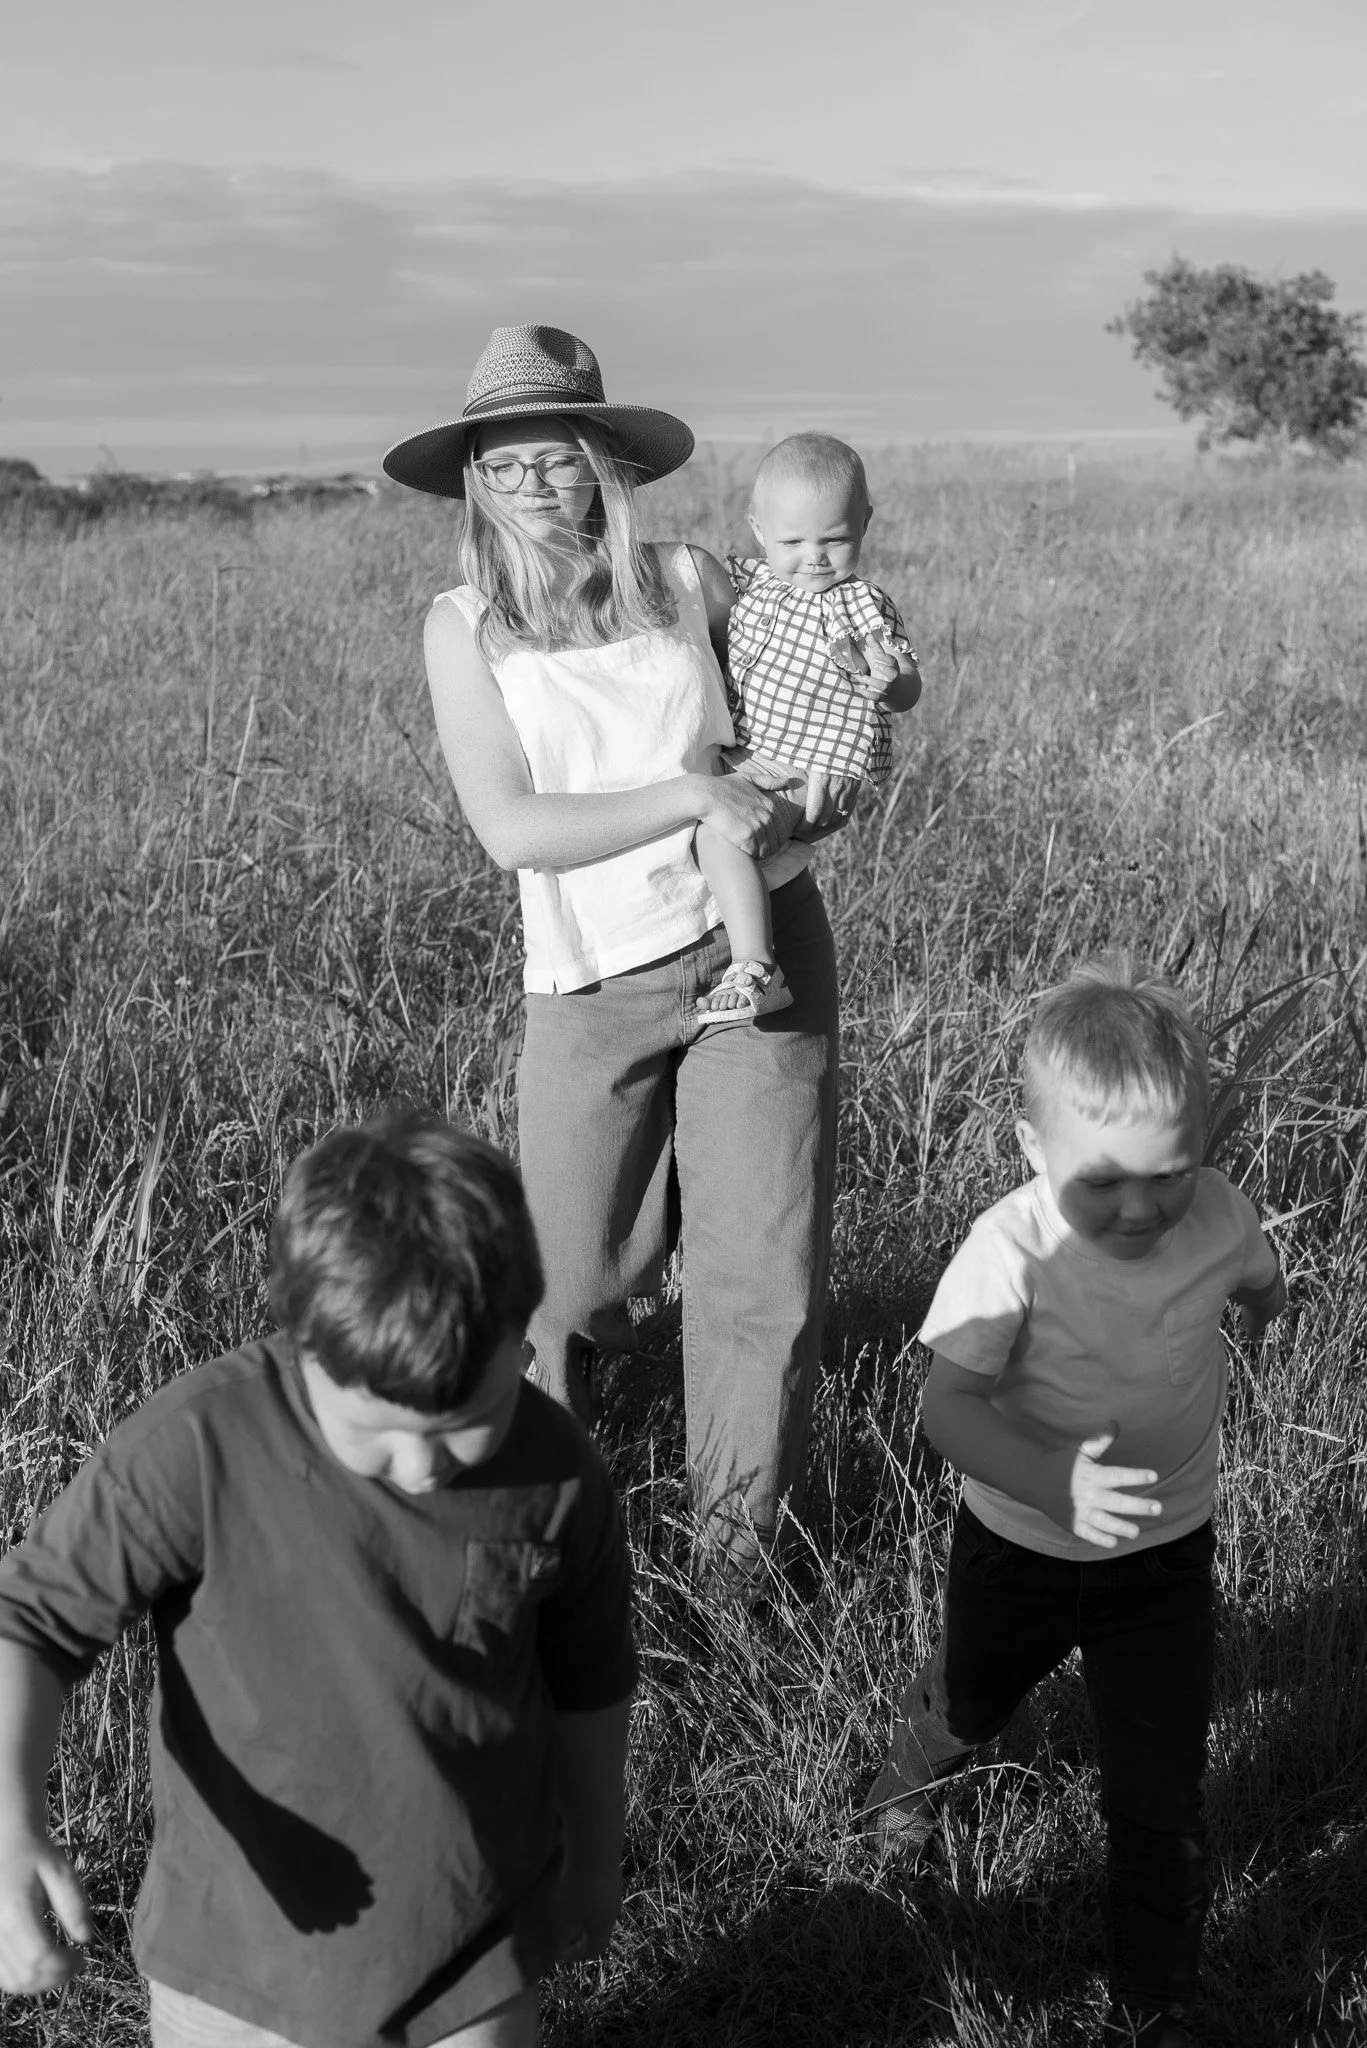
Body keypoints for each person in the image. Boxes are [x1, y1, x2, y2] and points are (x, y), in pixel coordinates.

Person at [0, 1116, 636, 2048]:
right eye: (378, 1432)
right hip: (236, 1969)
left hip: (471, 1949)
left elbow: (592, 1683)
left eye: (468, 1422)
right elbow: (30, 1624)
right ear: (304, 1342)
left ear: (521, 1340)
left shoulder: (558, 1474)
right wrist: (11, 1821)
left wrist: (595, 1859)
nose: (421, 1467)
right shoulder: (201, 1446)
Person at [384, 324, 848, 1581]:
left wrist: (814, 781)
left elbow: (801, 709)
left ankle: (735, 1573)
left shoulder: (690, 579)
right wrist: (691, 796)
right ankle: (545, 1561)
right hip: (592, 982)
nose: (532, 483)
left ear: (601, 460)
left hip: (755, 945)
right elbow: (510, 828)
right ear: (474, 478)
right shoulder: (463, 625)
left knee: (762, 1276)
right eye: (502, 462)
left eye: (554, 456)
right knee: (563, 1286)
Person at [858, 958, 1287, 2048]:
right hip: (1019, 1548)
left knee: (1161, 1788)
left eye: (1169, 1172)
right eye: (1103, 1182)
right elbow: (945, 1408)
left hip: (1164, 1556)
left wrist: (1265, 1303)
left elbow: (1250, 1267)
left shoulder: (1215, 1212)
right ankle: (902, 1787)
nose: (1141, 1207)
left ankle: (1155, 2003)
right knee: (970, 1699)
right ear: (1030, 1147)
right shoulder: (1011, 1249)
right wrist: (1048, 1479)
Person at [692, 432, 922, 1025]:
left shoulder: (861, 604)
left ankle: (753, 965)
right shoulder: (751, 583)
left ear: (865, 524)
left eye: (835, 539)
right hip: (755, 754)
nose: (814, 557)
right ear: (758, 528)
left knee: (718, 834)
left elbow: (908, 686)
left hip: (809, 766)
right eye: (793, 541)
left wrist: (888, 683)